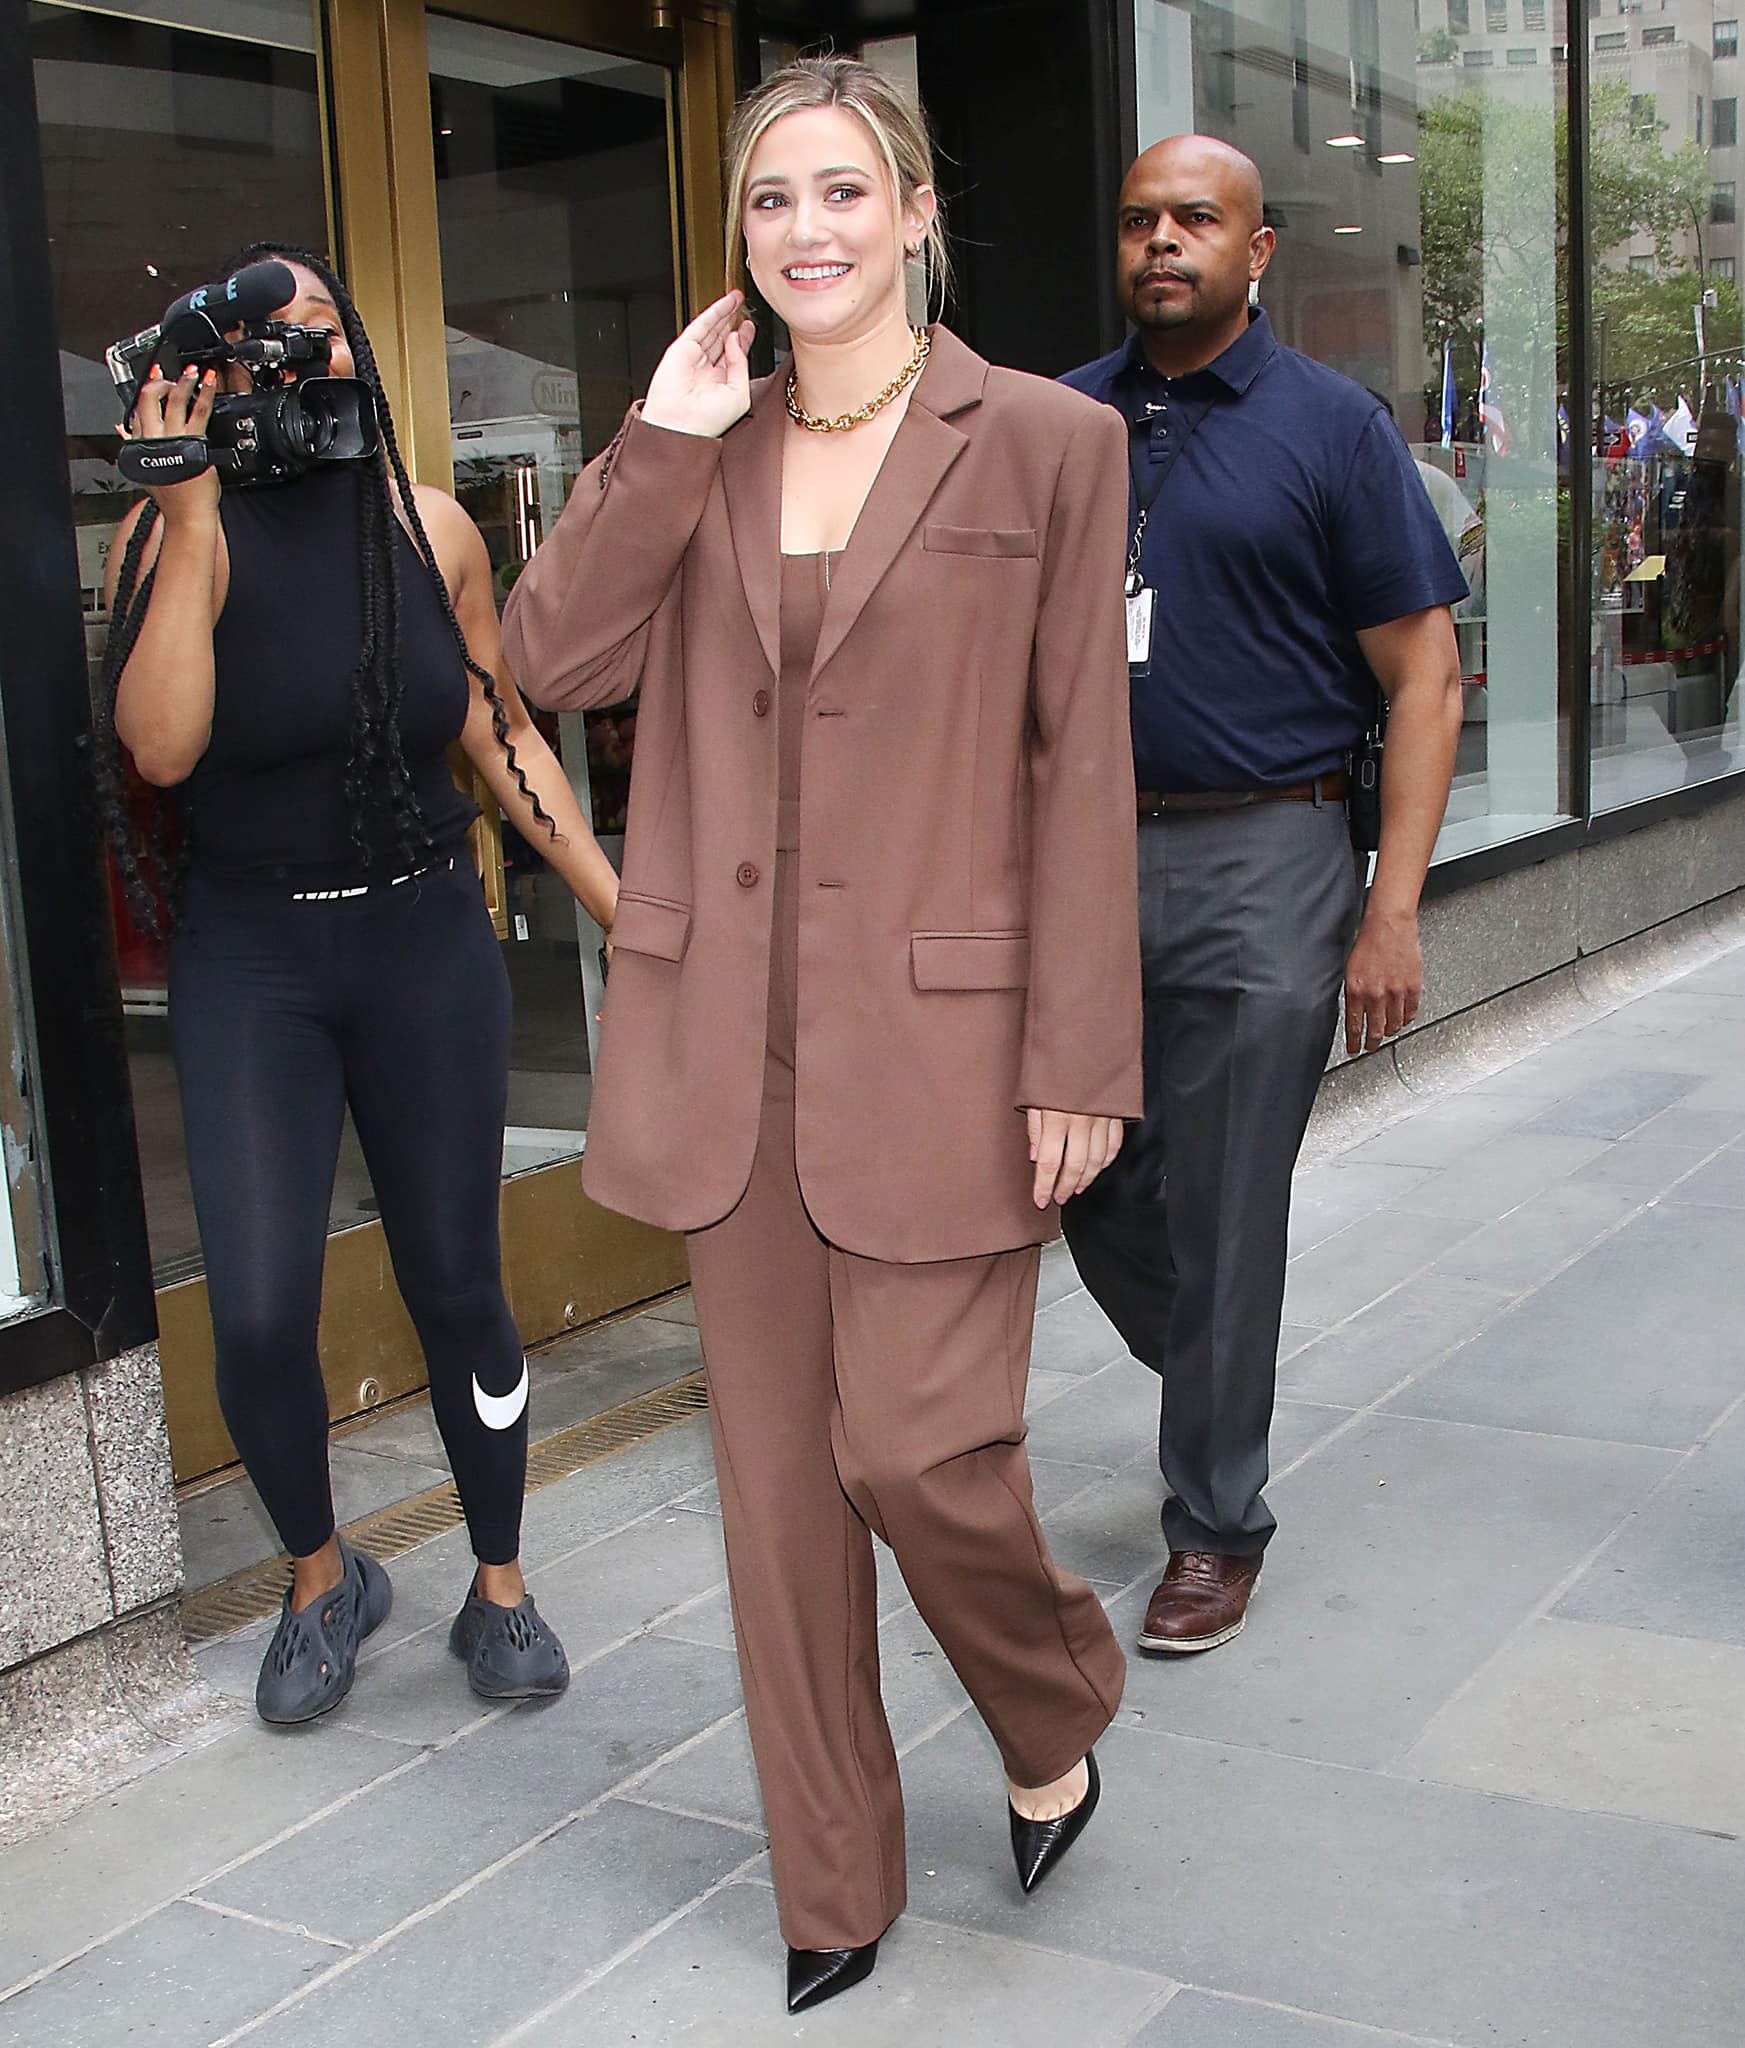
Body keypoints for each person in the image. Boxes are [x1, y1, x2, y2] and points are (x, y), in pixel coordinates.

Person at [502, 55, 1139, 2017]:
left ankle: (1053, 1697)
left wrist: (1079, 1056)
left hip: (946, 1044)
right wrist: (661, 442)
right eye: (773, 200)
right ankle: (833, 1880)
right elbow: (544, 662)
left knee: (921, 1453)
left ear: (919, 208)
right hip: (727, 1053)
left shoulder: (1037, 441)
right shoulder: (705, 447)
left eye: (845, 192)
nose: (809, 231)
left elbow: (1080, 765)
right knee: (780, 1494)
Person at [95, 246, 621, 1724]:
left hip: (418, 942)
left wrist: (626, 914)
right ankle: (323, 1578)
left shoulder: (427, 524)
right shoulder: (166, 536)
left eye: (323, 326)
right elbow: (161, 752)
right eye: (269, 337)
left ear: (362, 354)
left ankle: (500, 1584)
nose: (300, 354)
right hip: (253, 957)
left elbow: (504, 737)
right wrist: (191, 516)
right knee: (256, 1314)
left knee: (456, 1280)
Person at [1059, 137, 1466, 1657]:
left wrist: (1391, 908)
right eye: (1138, 220)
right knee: (1083, 1173)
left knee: (1229, 1206)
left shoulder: (1331, 429)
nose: (1162, 242)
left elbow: (1421, 677)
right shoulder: (1063, 420)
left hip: (1267, 855)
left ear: (1258, 249)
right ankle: (1216, 1377)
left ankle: (1213, 1522)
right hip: (1085, 859)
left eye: (1194, 221)